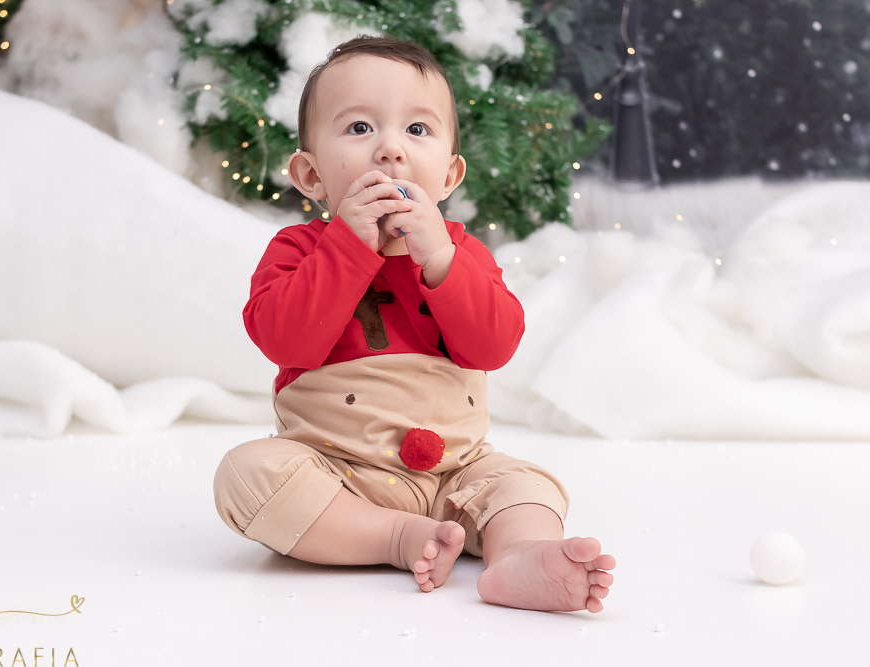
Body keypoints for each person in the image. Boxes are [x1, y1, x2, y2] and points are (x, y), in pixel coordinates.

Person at [213, 35, 615, 612]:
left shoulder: (461, 250)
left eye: (417, 131)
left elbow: (494, 345)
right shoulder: (298, 249)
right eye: (358, 129)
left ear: (449, 176)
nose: (389, 151)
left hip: (459, 471)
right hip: (340, 473)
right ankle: (393, 536)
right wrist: (348, 247)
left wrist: (441, 262)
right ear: (310, 175)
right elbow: (285, 338)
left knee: (526, 485)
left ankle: (521, 556)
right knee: (246, 474)